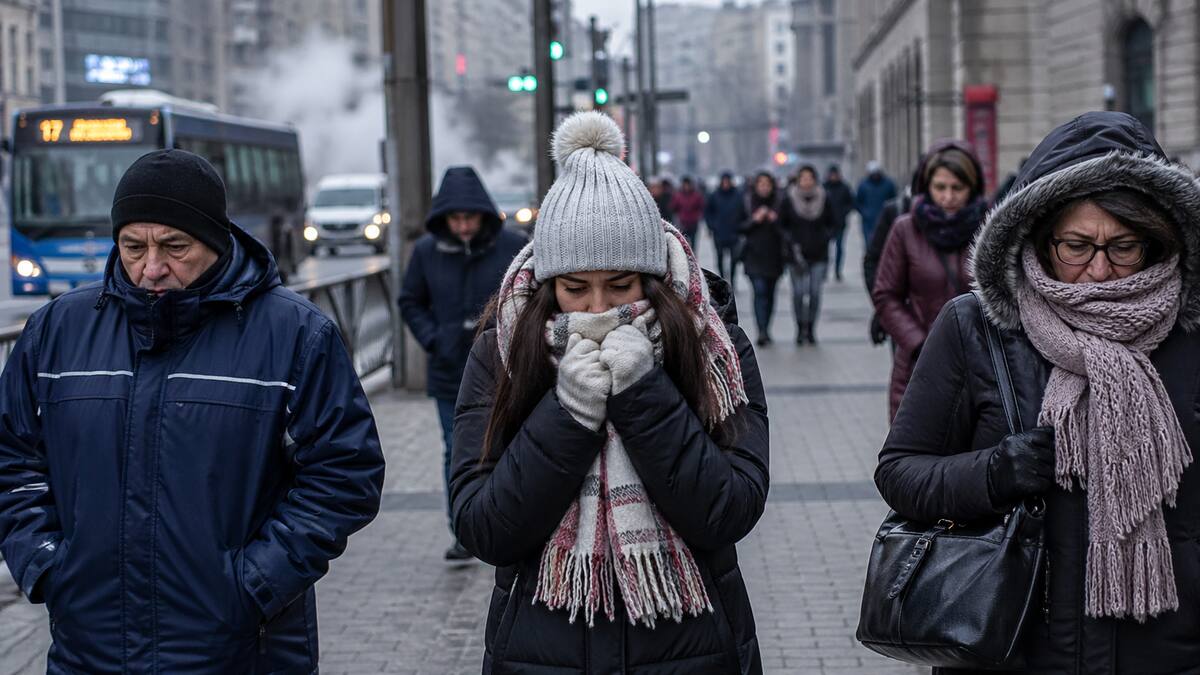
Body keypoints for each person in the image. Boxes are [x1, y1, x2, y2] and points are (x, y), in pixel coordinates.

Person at [0, 149, 385, 671]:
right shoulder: (57, 331)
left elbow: (346, 472)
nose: (151, 268)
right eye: (133, 247)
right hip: (89, 650)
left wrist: (256, 581)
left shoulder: (295, 333)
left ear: (215, 241)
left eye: (175, 246)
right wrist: (44, 563)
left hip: (241, 650)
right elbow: (11, 457)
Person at [875, 111, 1200, 674]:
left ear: (1156, 241)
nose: (1097, 272)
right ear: (1038, 237)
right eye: (1076, 246)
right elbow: (901, 473)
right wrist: (996, 471)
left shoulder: (1190, 337)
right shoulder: (975, 328)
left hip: (1167, 653)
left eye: (1124, 247)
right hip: (1013, 648)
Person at [449, 112, 769, 674]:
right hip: (540, 648)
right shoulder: (502, 348)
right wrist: (569, 414)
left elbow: (730, 508)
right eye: (576, 289)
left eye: (621, 285)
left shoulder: (713, 345)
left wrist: (644, 394)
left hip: (693, 649)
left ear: (652, 278)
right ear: (548, 286)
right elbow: (482, 525)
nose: (600, 309)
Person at [399, 166, 526, 561]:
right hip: (449, 371)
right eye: (456, 218)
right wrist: (434, 339)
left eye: (470, 217)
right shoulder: (426, 252)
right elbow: (410, 301)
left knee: (510, 444)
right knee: (457, 450)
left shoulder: (512, 246)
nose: (464, 225)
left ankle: (513, 522)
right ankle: (464, 530)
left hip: (503, 369)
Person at [871, 141, 985, 420]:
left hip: (980, 362)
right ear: (927, 187)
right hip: (920, 364)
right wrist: (920, 343)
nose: (948, 197)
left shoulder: (990, 227)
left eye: (957, 188)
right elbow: (886, 295)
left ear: (972, 188)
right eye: (940, 188)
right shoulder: (906, 229)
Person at [781, 165, 838, 344]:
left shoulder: (824, 197)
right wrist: (789, 241)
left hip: (819, 253)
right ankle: (799, 327)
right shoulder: (789, 198)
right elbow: (782, 225)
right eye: (803, 178)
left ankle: (811, 328)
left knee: (814, 293)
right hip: (796, 255)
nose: (806, 181)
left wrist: (825, 237)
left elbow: (834, 222)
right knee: (798, 293)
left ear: (815, 179)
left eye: (809, 178)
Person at [863, 172, 917, 345]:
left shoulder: (974, 217)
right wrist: (885, 307)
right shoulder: (896, 213)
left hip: (955, 328)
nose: (947, 196)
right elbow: (873, 260)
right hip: (906, 321)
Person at [740, 171, 788, 346]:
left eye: (767, 184)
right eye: (761, 184)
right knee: (759, 291)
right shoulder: (747, 202)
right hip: (753, 255)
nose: (764, 187)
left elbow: (787, 230)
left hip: (775, 256)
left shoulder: (781, 203)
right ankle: (761, 330)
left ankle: (767, 327)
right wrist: (755, 220)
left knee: (770, 293)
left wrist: (774, 221)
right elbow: (740, 227)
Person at [704, 171, 747, 290]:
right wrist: (712, 225)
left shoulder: (738, 195)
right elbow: (708, 212)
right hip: (719, 233)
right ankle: (722, 281)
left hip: (734, 233)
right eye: (724, 181)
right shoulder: (714, 195)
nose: (726, 184)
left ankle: (732, 280)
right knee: (720, 258)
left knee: (734, 260)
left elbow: (743, 212)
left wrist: (741, 227)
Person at [823, 164, 857, 282]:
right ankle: (824, 271)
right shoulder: (824, 187)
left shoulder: (844, 187)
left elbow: (851, 203)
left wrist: (844, 212)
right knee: (825, 249)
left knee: (839, 248)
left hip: (840, 222)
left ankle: (837, 270)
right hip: (826, 223)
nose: (833, 177)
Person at [855, 160, 898, 246]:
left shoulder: (888, 184)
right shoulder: (863, 185)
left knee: (884, 244)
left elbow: (894, 199)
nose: (875, 175)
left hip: (885, 219)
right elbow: (858, 202)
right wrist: (864, 212)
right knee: (870, 244)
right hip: (868, 221)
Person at [670, 176, 706, 253]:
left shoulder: (696, 195)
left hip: (693, 223)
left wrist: (697, 216)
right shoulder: (678, 195)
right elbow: (673, 207)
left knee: (693, 245)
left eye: (688, 184)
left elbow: (701, 206)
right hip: (682, 223)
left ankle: (693, 261)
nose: (686, 187)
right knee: (683, 244)